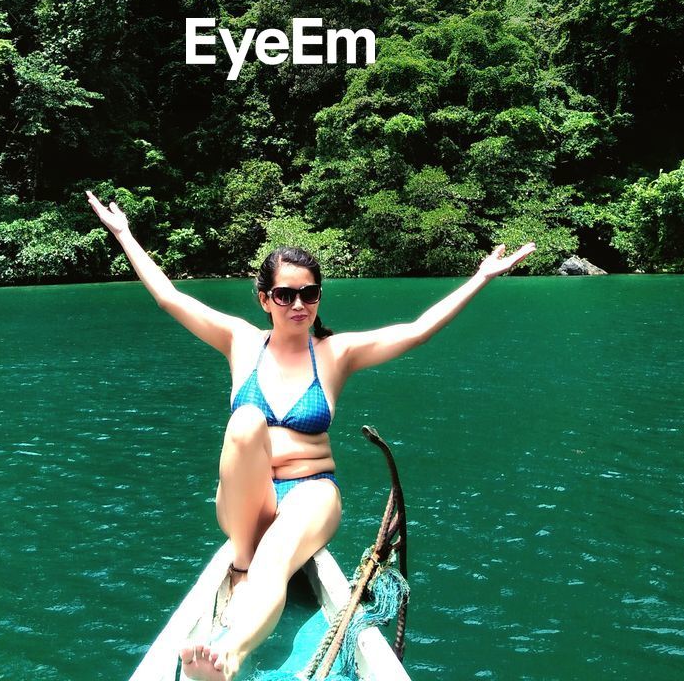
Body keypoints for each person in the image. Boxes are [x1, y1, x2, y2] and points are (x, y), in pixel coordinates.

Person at [86, 189, 533, 681]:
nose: (298, 304)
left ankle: (230, 654)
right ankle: (240, 562)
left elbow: (418, 328)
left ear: (318, 297)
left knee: (275, 556)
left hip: (310, 491)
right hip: (248, 498)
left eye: (308, 293)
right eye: (285, 294)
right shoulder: (239, 341)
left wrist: (480, 277)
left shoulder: (336, 353)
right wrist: (124, 233)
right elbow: (169, 297)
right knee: (245, 421)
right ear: (265, 299)